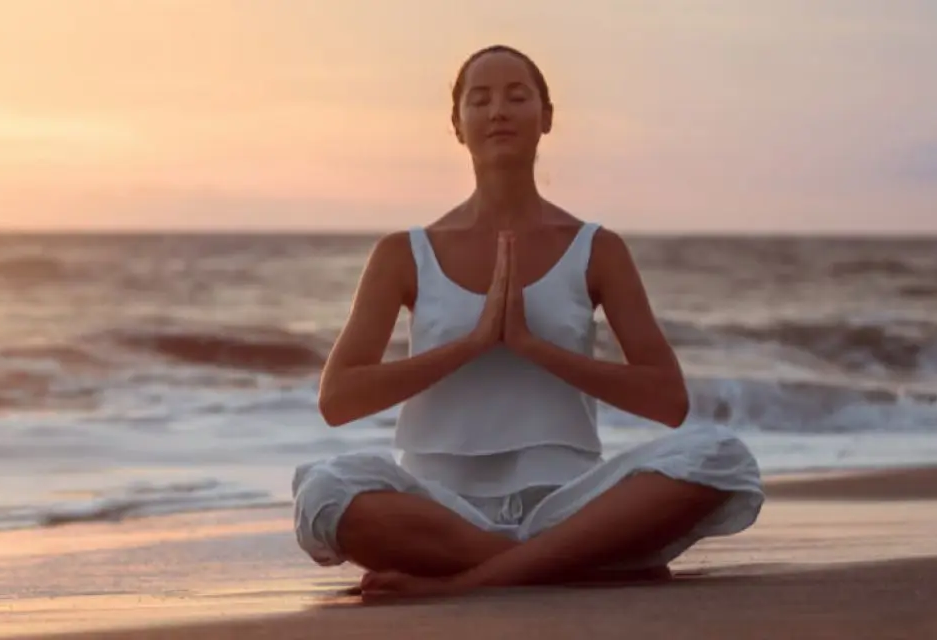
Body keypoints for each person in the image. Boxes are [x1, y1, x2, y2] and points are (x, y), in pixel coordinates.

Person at [291, 45, 765, 598]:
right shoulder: (404, 253)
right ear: (457, 124)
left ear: (546, 117)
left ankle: (472, 579)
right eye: (480, 100)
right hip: (441, 510)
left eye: (517, 97)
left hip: (570, 505)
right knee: (322, 491)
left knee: (721, 456)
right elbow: (338, 399)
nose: (498, 111)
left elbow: (668, 400)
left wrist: (531, 345)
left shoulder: (596, 248)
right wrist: (473, 343)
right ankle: (575, 565)